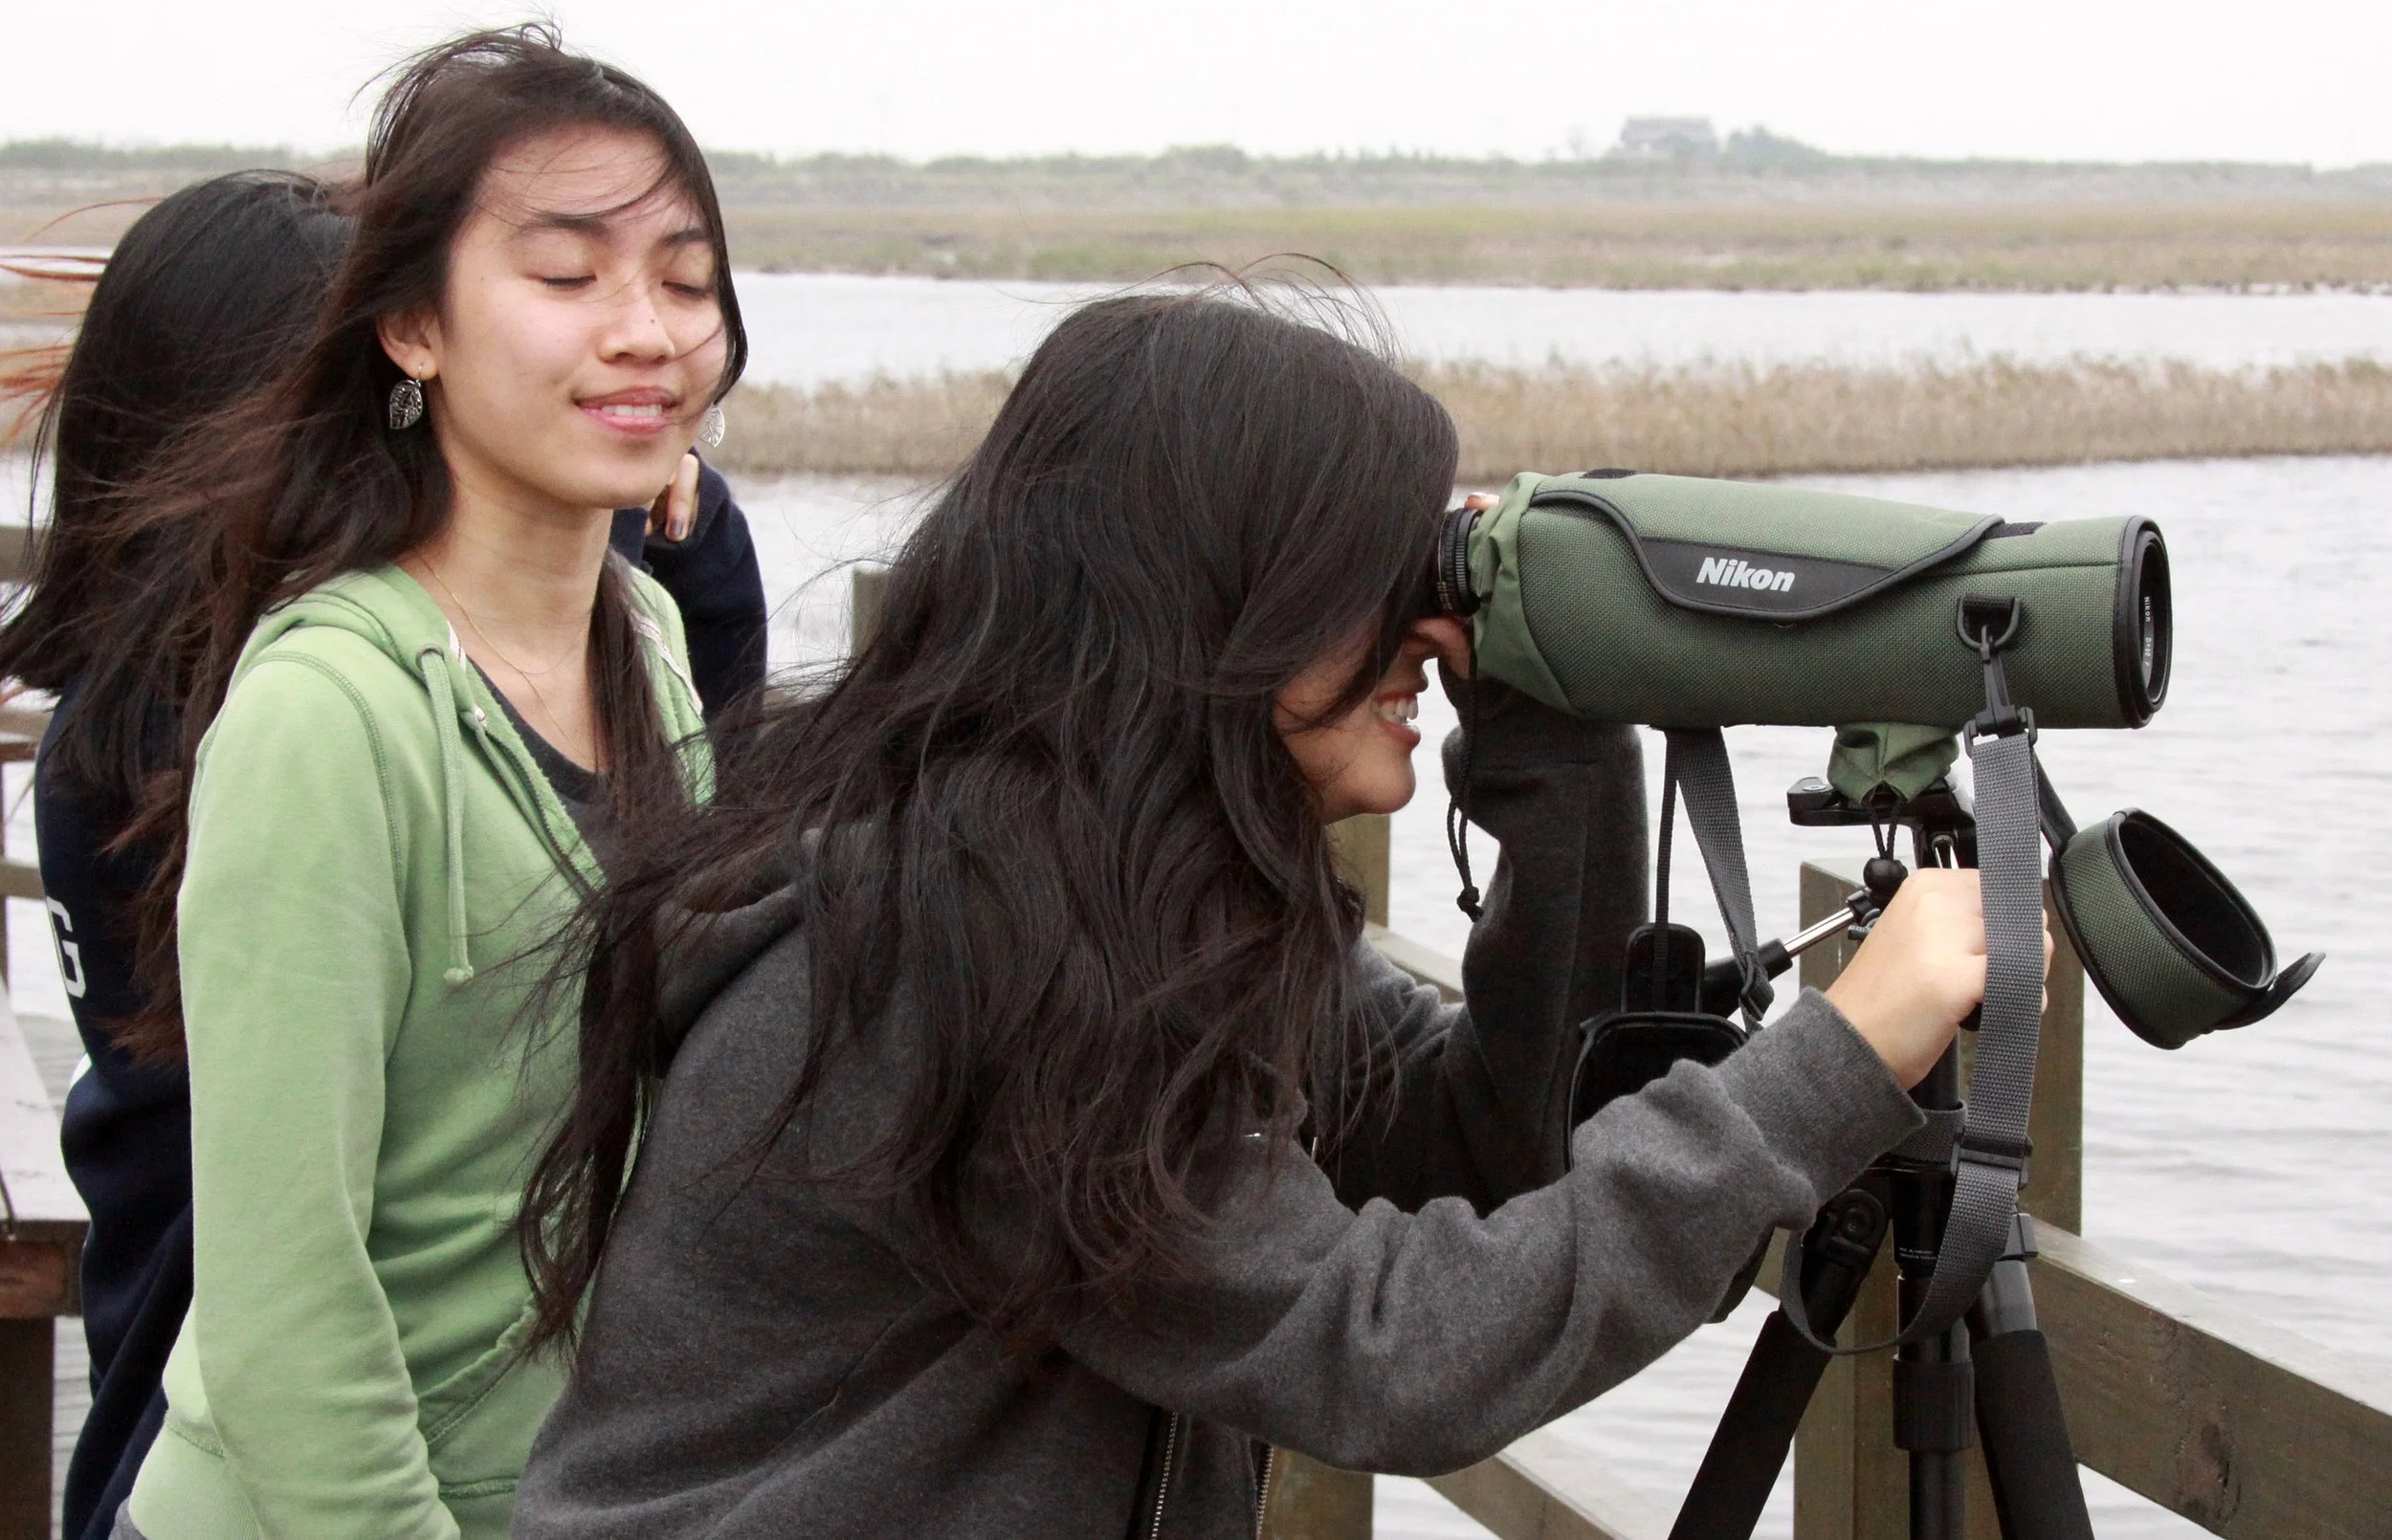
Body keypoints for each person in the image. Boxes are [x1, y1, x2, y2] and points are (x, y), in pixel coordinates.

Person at [509, 289, 2030, 1537]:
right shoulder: (964, 937)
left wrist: (1557, 744)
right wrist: (1836, 1057)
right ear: (1218, 596)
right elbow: (1384, 1346)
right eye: (1370, 563)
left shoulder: (1121, 881)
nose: (1426, 626)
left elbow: (1481, 1148)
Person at [4, 26, 739, 1539]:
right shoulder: (323, 714)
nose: (647, 328)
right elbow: (288, 1316)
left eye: (683, 276)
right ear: (411, 326)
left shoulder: (647, 640)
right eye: (566, 274)